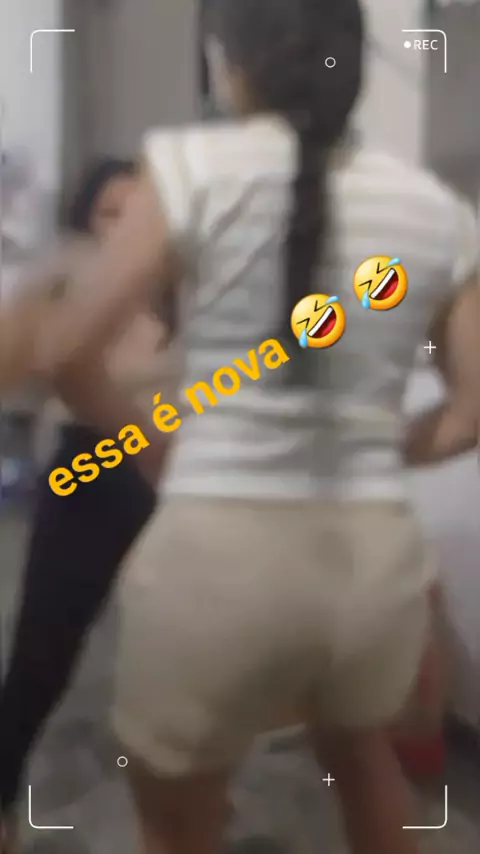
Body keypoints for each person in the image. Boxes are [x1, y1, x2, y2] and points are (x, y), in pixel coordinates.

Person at [10, 0, 480, 852]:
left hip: (216, 550)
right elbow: (471, 411)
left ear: (232, 67)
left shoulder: (190, 172)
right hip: (369, 567)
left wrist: (153, 442)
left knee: (180, 816)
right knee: (361, 758)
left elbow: (65, 350)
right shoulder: (438, 212)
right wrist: (381, 447)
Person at [0, 158, 174, 848]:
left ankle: (182, 809)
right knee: (45, 646)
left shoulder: (186, 286)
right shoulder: (66, 282)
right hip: (91, 465)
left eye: (139, 212)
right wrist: (46, 310)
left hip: (184, 471)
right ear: (84, 220)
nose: (125, 227)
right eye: (110, 213)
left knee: (183, 653)